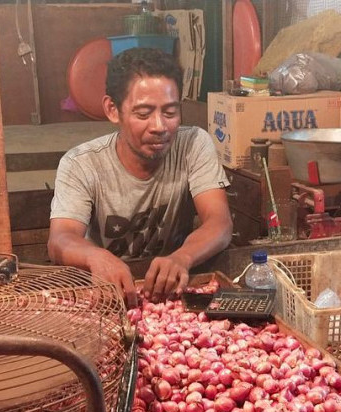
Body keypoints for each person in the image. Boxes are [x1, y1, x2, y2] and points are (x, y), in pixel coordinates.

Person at [48, 48, 232, 307]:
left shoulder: (193, 144)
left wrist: (182, 258)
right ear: (113, 110)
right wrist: (96, 257)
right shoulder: (81, 164)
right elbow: (60, 239)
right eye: (143, 114)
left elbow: (219, 222)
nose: (159, 126)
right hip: (105, 296)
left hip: (169, 292)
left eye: (170, 112)